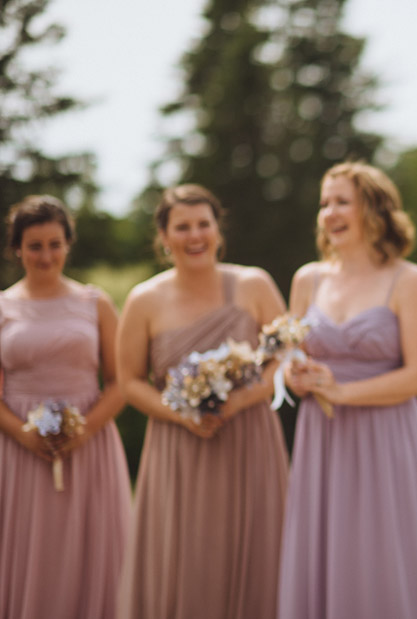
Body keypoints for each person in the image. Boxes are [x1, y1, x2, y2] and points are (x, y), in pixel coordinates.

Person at [277, 162, 417, 618]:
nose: (330, 213)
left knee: (385, 551)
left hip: (388, 437)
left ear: (375, 211)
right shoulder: (308, 279)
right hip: (321, 439)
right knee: (328, 547)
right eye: (325, 203)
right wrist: (294, 375)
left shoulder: (408, 279)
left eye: (342, 201)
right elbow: (288, 359)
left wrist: (341, 393)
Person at [116, 184, 289, 619]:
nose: (194, 236)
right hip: (179, 446)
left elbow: (285, 356)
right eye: (182, 227)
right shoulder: (144, 300)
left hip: (249, 438)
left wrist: (242, 399)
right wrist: (181, 414)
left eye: (202, 224)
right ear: (163, 237)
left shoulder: (253, 284)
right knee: (186, 555)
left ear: (217, 229)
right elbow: (128, 381)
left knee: (259, 550)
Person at [0, 196, 132, 618]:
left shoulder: (95, 304)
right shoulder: (1, 307)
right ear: (17, 248)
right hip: (19, 450)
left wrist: (85, 430)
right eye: (34, 245)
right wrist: (23, 433)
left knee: (90, 550)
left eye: (54, 244)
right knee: (28, 547)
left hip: (89, 445)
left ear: (68, 244)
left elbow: (122, 382)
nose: (45, 255)